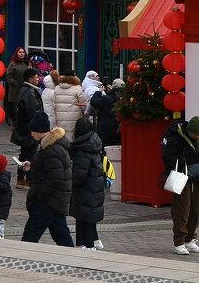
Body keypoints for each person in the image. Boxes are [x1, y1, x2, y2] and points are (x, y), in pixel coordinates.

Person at [18, 111, 74, 246]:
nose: (31, 134)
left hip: (48, 200)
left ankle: (22, 259)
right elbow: (50, 171)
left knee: (30, 235)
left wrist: (39, 193)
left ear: (39, 131)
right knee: (61, 234)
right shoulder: (51, 146)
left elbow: (55, 178)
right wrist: (32, 167)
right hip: (55, 199)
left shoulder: (51, 149)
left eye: (33, 131)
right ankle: (73, 257)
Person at [161, 115, 199, 255]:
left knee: (197, 209)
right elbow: (167, 156)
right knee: (182, 210)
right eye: (195, 134)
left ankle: (190, 239)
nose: (197, 136)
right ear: (189, 130)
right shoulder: (176, 136)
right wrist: (183, 166)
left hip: (198, 177)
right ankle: (179, 242)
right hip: (182, 177)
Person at [69, 116, 106, 250]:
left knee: (84, 218)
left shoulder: (82, 148)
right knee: (89, 218)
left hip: (86, 189)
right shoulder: (93, 142)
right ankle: (94, 242)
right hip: (94, 187)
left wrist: (69, 180)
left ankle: (88, 246)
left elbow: (80, 174)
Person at [10, 67, 43, 188]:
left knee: (24, 154)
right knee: (30, 155)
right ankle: (28, 179)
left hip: (24, 129)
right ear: (30, 79)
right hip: (29, 131)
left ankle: (20, 179)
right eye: (36, 77)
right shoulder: (29, 92)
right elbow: (31, 113)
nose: (38, 79)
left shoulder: (25, 90)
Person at [53, 70, 88, 134]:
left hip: (60, 116)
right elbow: (84, 104)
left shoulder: (57, 88)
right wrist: (85, 115)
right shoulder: (77, 88)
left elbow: (54, 104)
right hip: (75, 117)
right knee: (72, 134)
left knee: (62, 134)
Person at [90, 80, 121, 148]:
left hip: (106, 128)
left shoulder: (107, 99)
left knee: (106, 149)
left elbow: (93, 101)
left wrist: (99, 92)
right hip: (120, 128)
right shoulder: (126, 99)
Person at [4, 47, 31, 124]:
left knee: (24, 106)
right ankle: (14, 122)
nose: (22, 54)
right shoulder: (13, 64)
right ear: (17, 53)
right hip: (15, 89)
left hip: (25, 88)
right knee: (14, 106)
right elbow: (8, 76)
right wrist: (14, 83)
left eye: (23, 52)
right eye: (20, 52)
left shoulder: (27, 63)